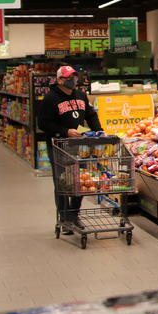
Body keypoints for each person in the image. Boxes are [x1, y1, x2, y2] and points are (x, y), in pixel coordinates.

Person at [38, 66, 102, 234]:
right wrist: (65, 131)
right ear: (59, 80)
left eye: (74, 76)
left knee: (81, 181)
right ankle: (64, 216)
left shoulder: (81, 95)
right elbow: (43, 123)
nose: (73, 80)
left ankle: (74, 214)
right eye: (69, 77)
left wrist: (99, 131)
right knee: (61, 182)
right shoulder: (50, 99)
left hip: (79, 146)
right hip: (58, 145)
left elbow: (90, 114)